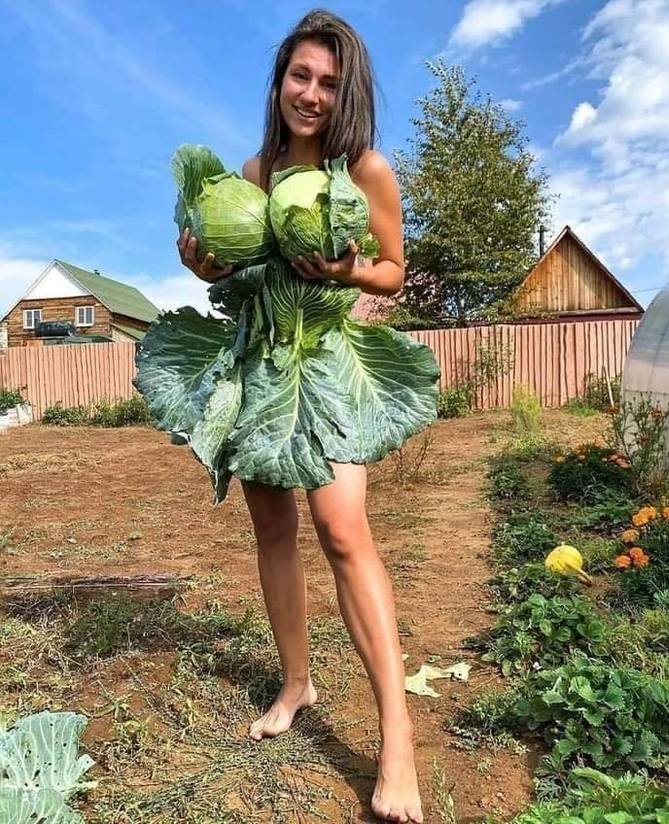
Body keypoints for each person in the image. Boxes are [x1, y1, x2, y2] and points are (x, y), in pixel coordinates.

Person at [176, 9, 424, 824]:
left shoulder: (365, 171)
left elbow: (394, 271)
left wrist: (351, 270)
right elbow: (234, 263)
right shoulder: (253, 169)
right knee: (273, 530)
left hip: (323, 356)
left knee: (345, 531)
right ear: (279, 81)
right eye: (299, 77)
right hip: (262, 359)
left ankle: (398, 740)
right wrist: (204, 260)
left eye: (327, 82)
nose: (310, 95)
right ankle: (297, 683)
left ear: (345, 92)